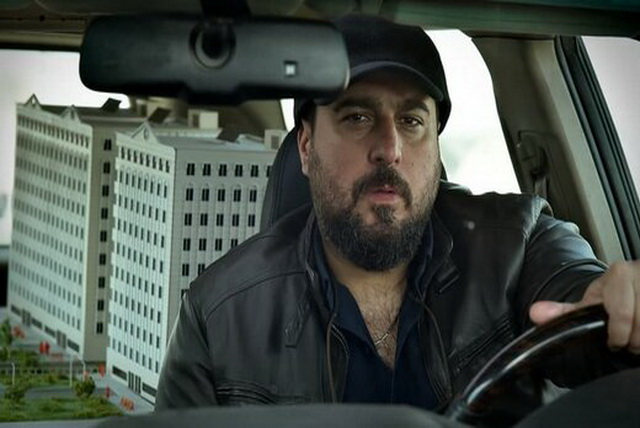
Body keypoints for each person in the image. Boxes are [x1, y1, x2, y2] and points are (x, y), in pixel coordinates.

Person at [155, 14, 640, 414]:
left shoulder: (521, 243)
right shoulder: (217, 316)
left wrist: (625, 307)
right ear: (305, 146)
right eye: (357, 117)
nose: (389, 149)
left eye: (411, 121)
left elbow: (584, 297)